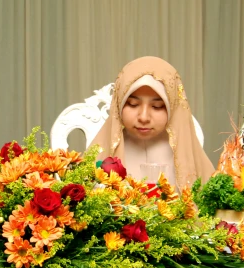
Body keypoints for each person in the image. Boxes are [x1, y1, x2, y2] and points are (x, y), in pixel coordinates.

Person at [89, 56, 214, 190]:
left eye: (157, 106)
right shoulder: (102, 151)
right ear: (119, 104)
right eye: (133, 104)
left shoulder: (184, 152)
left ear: (172, 108)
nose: (143, 117)